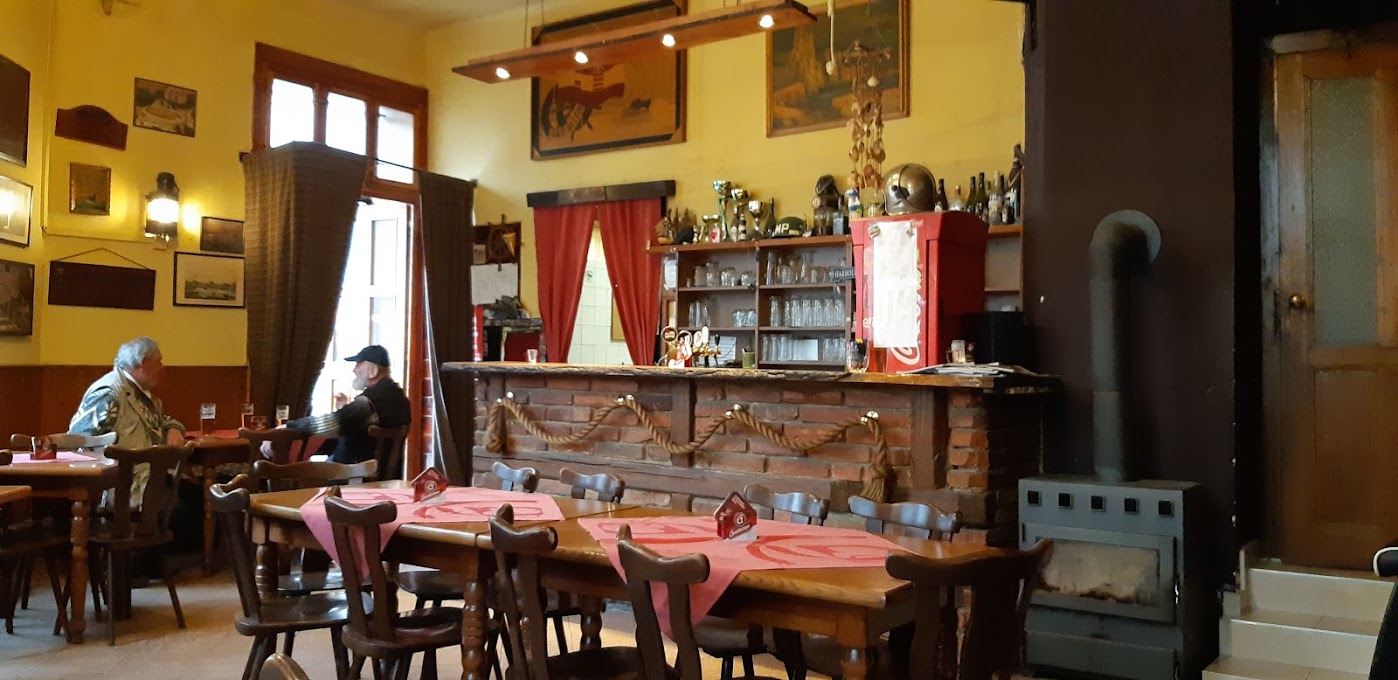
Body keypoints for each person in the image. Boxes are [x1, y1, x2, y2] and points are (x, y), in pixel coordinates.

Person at [285, 345, 410, 466]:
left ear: (373, 371)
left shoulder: (373, 399)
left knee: (294, 472)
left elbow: (331, 423)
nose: (354, 370)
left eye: (358, 364)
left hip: (352, 473)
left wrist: (289, 426)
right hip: (380, 474)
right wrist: (345, 410)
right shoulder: (400, 398)